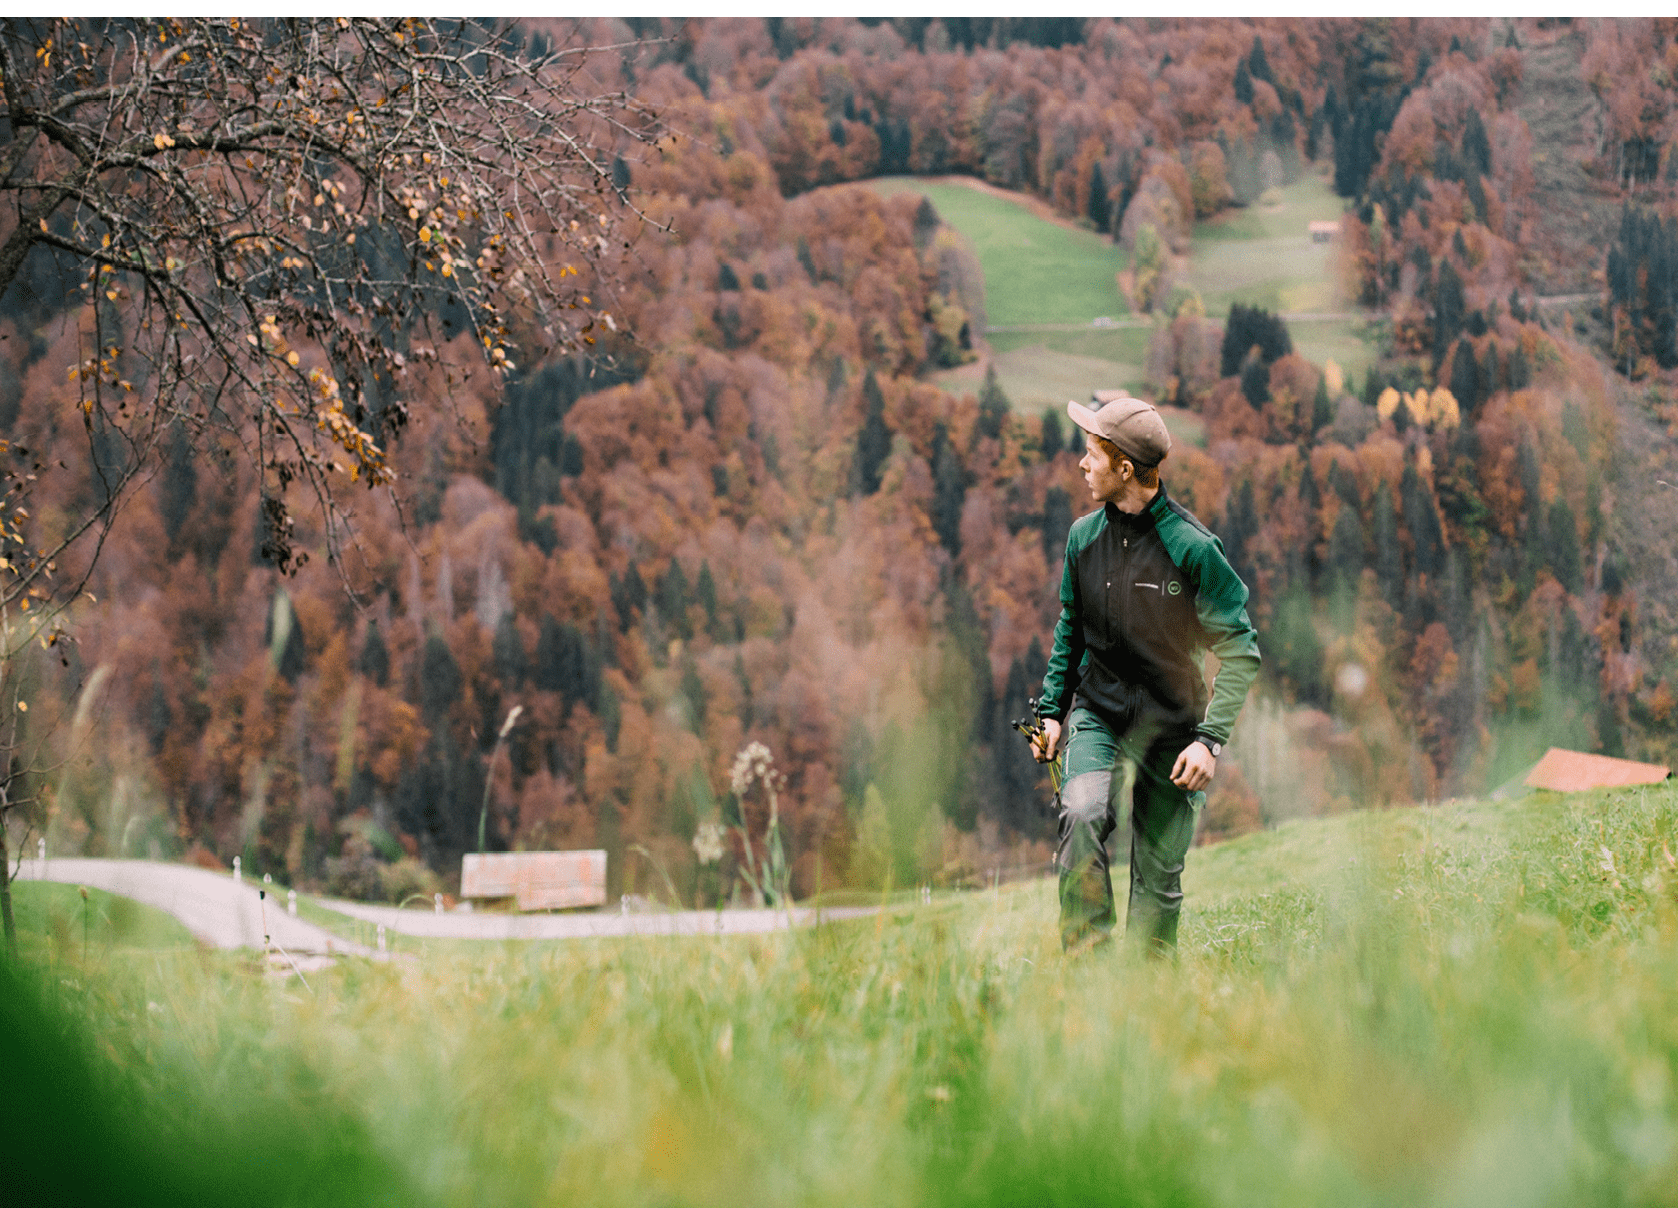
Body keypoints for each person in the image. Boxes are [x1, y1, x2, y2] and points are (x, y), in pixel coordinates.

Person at [1030, 396, 1260, 955]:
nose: (1083, 465)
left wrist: (1210, 741)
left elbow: (1241, 651)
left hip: (1174, 733)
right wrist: (1050, 712)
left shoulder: (1194, 550)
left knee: (1158, 882)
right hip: (1098, 715)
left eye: (1092, 456)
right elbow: (1072, 628)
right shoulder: (1083, 539)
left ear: (1125, 468)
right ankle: (1087, 976)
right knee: (1081, 816)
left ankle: (1147, 1000)